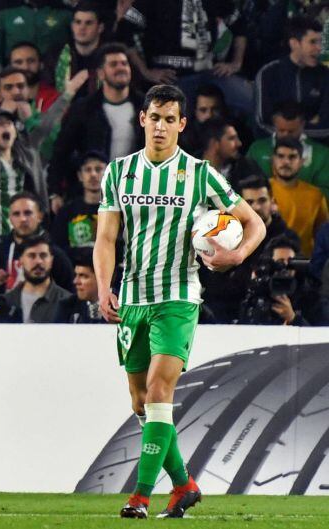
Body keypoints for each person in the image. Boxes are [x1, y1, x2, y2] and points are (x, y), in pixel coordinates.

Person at [94, 84, 265, 519]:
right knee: (141, 403)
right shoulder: (118, 172)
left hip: (179, 294)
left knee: (158, 390)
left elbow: (254, 223)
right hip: (133, 297)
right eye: (155, 117)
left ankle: (139, 496)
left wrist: (236, 255)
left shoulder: (200, 173)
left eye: (171, 119)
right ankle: (184, 484)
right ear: (143, 120)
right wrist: (102, 286)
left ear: (182, 125)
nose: (162, 126)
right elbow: (106, 238)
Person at [0, 67, 87, 247]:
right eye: (9, 88)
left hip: (27, 226)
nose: (15, 93)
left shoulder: (31, 137)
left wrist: (30, 120)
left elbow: (50, 137)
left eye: (20, 86)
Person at [117, 0, 253, 117]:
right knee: (177, 121)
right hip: (172, 78)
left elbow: (239, 25)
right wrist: (146, 71)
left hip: (211, 73)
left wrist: (236, 63)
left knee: (253, 102)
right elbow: (125, 30)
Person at [50, 43, 142, 202]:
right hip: (92, 196)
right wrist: (55, 192)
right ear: (101, 73)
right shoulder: (83, 108)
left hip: (137, 194)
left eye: (124, 63)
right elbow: (61, 151)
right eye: (113, 64)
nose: (121, 68)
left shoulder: (147, 107)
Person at [200, 176, 299, 323]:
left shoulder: (287, 240)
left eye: (262, 200)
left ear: (273, 202)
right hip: (225, 313)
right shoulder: (223, 235)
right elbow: (213, 284)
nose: (257, 207)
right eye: (250, 202)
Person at [0, 192, 75, 294]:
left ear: (40, 216)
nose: (22, 219)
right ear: (10, 218)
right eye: (16, 214)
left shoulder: (57, 256)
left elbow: (71, 297)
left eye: (28, 213)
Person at [255, 16, 329, 140]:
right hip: (275, 149)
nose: (319, 48)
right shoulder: (268, 74)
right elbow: (262, 122)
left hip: (317, 149)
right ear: (294, 43)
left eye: (320, 42)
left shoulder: (325, 75)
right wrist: (307, 124)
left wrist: (286, 130)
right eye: (312, 42)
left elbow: (326, 125)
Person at [246, 101, 329, 199]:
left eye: (291, 131)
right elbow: (244, 183)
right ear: (274, 124)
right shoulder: (257, 149)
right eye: (281, 130)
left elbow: (326, 192)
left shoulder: (322, 154)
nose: (286, 136)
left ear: (302, 125)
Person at [0, 0, 72, 87]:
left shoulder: (65, 16)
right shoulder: (4, 17)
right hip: (14, 85)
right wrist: (0, 86)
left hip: (56, 85)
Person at [0, 233, 72, 323]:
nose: (38, 261)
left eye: (43, 256)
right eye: (31, 256)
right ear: (21, 260)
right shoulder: (3, 303)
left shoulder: (68, 303)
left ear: (51, 260)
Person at [238, 236, 321, 326]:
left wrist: (293, 318)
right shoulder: (260, 290)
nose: (285, 268)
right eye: (279, 263)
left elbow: (319, 334)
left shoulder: (308, 296)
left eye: (290, 263)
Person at [269, 137, 328, 257]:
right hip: (267, 259)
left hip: (304, 264)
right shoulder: (262, 193)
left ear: (301, 161)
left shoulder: (315, 195)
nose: (286, 162)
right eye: (281, 156)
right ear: (273, 160)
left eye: (292, 157)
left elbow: (323, 236)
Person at [51, 151, 106, 253]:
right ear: (80, 176)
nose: (93, 174)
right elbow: (58, 249)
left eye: (98, 169)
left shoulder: (119, 211)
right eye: (88, 170)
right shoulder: (66, 213)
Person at [51, 2, 105, 100]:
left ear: (100, 28)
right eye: (78, 22)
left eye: (88, 23)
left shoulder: (112, 56)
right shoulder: (56, 56)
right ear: (72, 26)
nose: (82, 27)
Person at [200, 118, 263, 186]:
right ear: (214, 144)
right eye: (232, 138)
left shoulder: (247, 167)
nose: (239, 143)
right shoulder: (190, 169)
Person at [59, 249, 105, 324]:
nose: (76, 281)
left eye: (83, 276)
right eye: (76, 275)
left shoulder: (122, 306)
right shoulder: (67, 306)